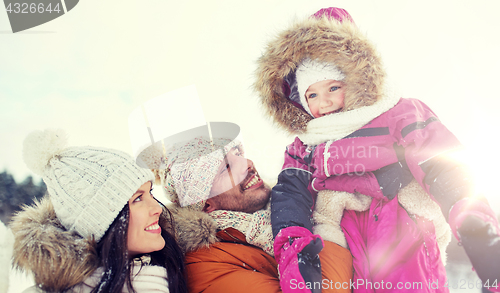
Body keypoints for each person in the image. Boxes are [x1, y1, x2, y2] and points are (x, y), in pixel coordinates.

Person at [253, 7, 500, 293]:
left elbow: (444, 167)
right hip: (342, 240)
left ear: (357, 81)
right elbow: (290, 197)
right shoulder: (306, 145)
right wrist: (298, 256)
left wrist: (478, 230)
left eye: (334, 88)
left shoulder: (401, 114)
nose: (325, 103)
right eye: (312, 95)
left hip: (402, 231)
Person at [149, 136, 353, 293]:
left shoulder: (294, 203)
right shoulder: (205, 266)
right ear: (205, 204)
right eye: (225, 168)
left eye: (237, 153)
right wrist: (325, 226)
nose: (247, 163)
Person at [10, 129, 188, 293]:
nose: (157, 208)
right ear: (100, 222)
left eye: (150, 193)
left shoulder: (174, 272)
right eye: (138, 199)